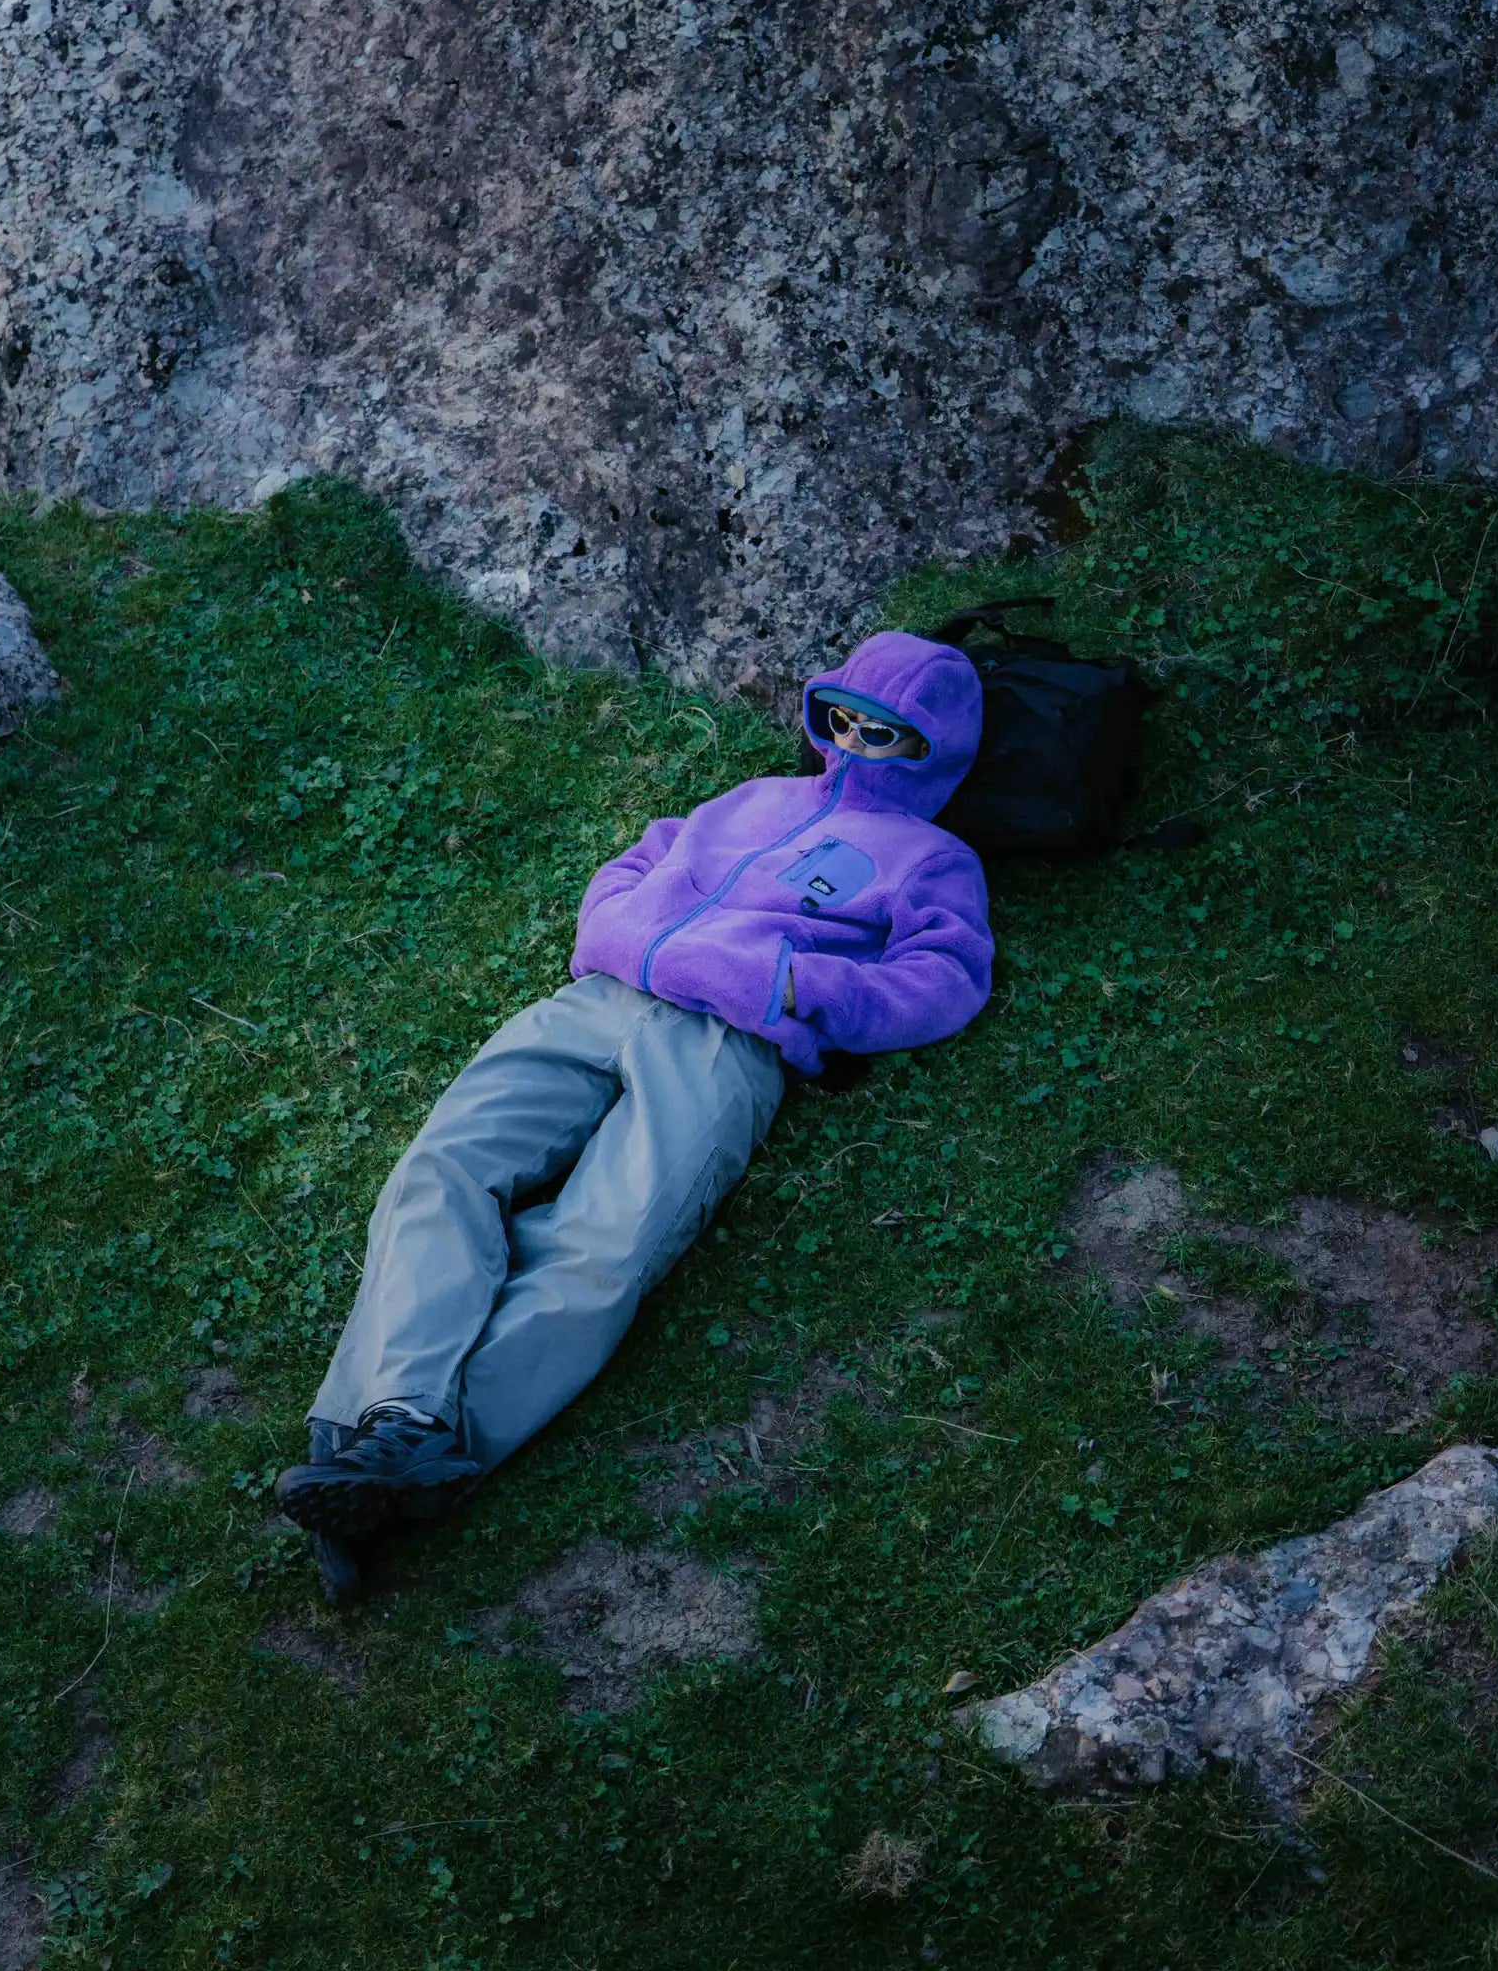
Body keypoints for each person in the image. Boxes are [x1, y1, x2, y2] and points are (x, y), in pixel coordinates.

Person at [274, 629, 994, 1602]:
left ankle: (402, 1457)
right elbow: (638, 857)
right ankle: (386, 1430)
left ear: (934, 750)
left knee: (604, 1244)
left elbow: (946, 977)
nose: (853, 744)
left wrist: (795, 985)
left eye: (885, 734)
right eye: (842, 720)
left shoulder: (935, 859)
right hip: (595, 1001)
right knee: (442, 1169)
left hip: (724, 1045)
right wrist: (617, 925)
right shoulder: (752, 798)